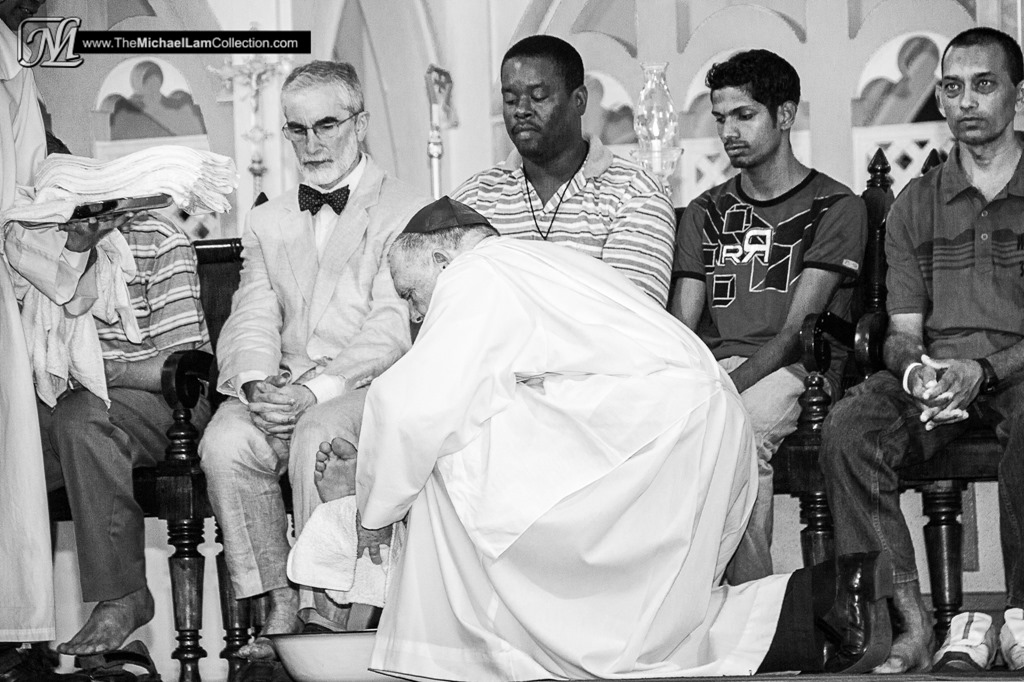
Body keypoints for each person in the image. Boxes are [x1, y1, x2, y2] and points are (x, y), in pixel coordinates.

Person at [308, 196, 894, 681]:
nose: (415, 314)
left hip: (654, 429)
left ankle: (464, 646)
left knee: (453, 468)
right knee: (646, 625)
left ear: (441, 258)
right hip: (691, 421)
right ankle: (829, 601)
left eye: (410, 294)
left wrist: (373, 510)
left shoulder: (475, 272)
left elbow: (413, 404)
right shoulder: (532, 262)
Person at [197, 59, 425, 671]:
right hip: (284, 384)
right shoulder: (267, 219)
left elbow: (391, 326)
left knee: (317, 434)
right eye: (297, 129)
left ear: (360, 124)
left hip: (367, 385)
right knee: (224, 442)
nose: (312, 143)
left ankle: (324, 612)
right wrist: (256, 385)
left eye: (326, 125)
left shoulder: (407, 207)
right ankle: (277, 602)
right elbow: (252, 311)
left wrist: (315, 392)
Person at [821, 26, 1024, 673]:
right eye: (953, 87)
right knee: (850, 429)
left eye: (984, 84)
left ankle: (1021, 618)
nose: (967, 101)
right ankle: (908, 624)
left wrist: (984, 370)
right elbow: (903, 329)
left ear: (1017, 95)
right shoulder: (917, 203)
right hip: (942, 378)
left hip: (1016, 373)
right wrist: (915, 373)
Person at [671, 50, 867, 584]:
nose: (729, 132)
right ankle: (691, 602)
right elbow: (680, 329)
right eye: (720, 118)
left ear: (784, 115)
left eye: (744, 115)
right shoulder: (705, 212)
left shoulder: (835, 206)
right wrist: (685, 388)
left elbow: (796, 334)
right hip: (715, 370)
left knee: (737, 435)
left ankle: (752, 607)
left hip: (796, 370)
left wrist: (725, 390)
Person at [0, 3, 136, 679]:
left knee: (53, 433)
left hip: (82, 385)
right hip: (57, 381)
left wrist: (78, 245)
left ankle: (16, 641)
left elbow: (23, 220)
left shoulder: (14, 68)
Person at [38, 213, 211, 657]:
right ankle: (17, 633)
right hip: (65, 401)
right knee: (17, 436)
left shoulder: (158, 237)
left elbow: (183, 366)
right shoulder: (34, 243)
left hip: (164, 401)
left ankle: (123, 594)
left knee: (80, 419)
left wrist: (101, 372)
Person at [450, 34, 676, 307]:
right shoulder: (474, 198)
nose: (521, 110)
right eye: (510, 100)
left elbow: (629, 318)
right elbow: (447, 304)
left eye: (538, 97)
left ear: (579, 100)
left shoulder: (635, 194)